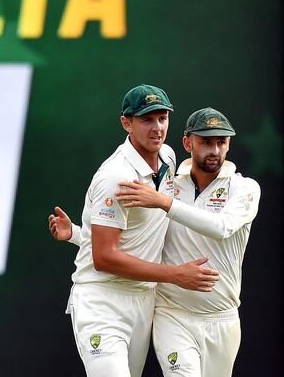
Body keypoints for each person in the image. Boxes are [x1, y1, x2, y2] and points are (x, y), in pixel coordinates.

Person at [51, 107, 260, 377]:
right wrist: (79, 235)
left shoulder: (244, 189)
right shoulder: (171, 182)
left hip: (222, 317)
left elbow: (222, 227)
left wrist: (164, 201)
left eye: (222, 142)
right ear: (188, 143)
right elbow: (137, 242)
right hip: (171, 313)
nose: (215, 150)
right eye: (206, 142)